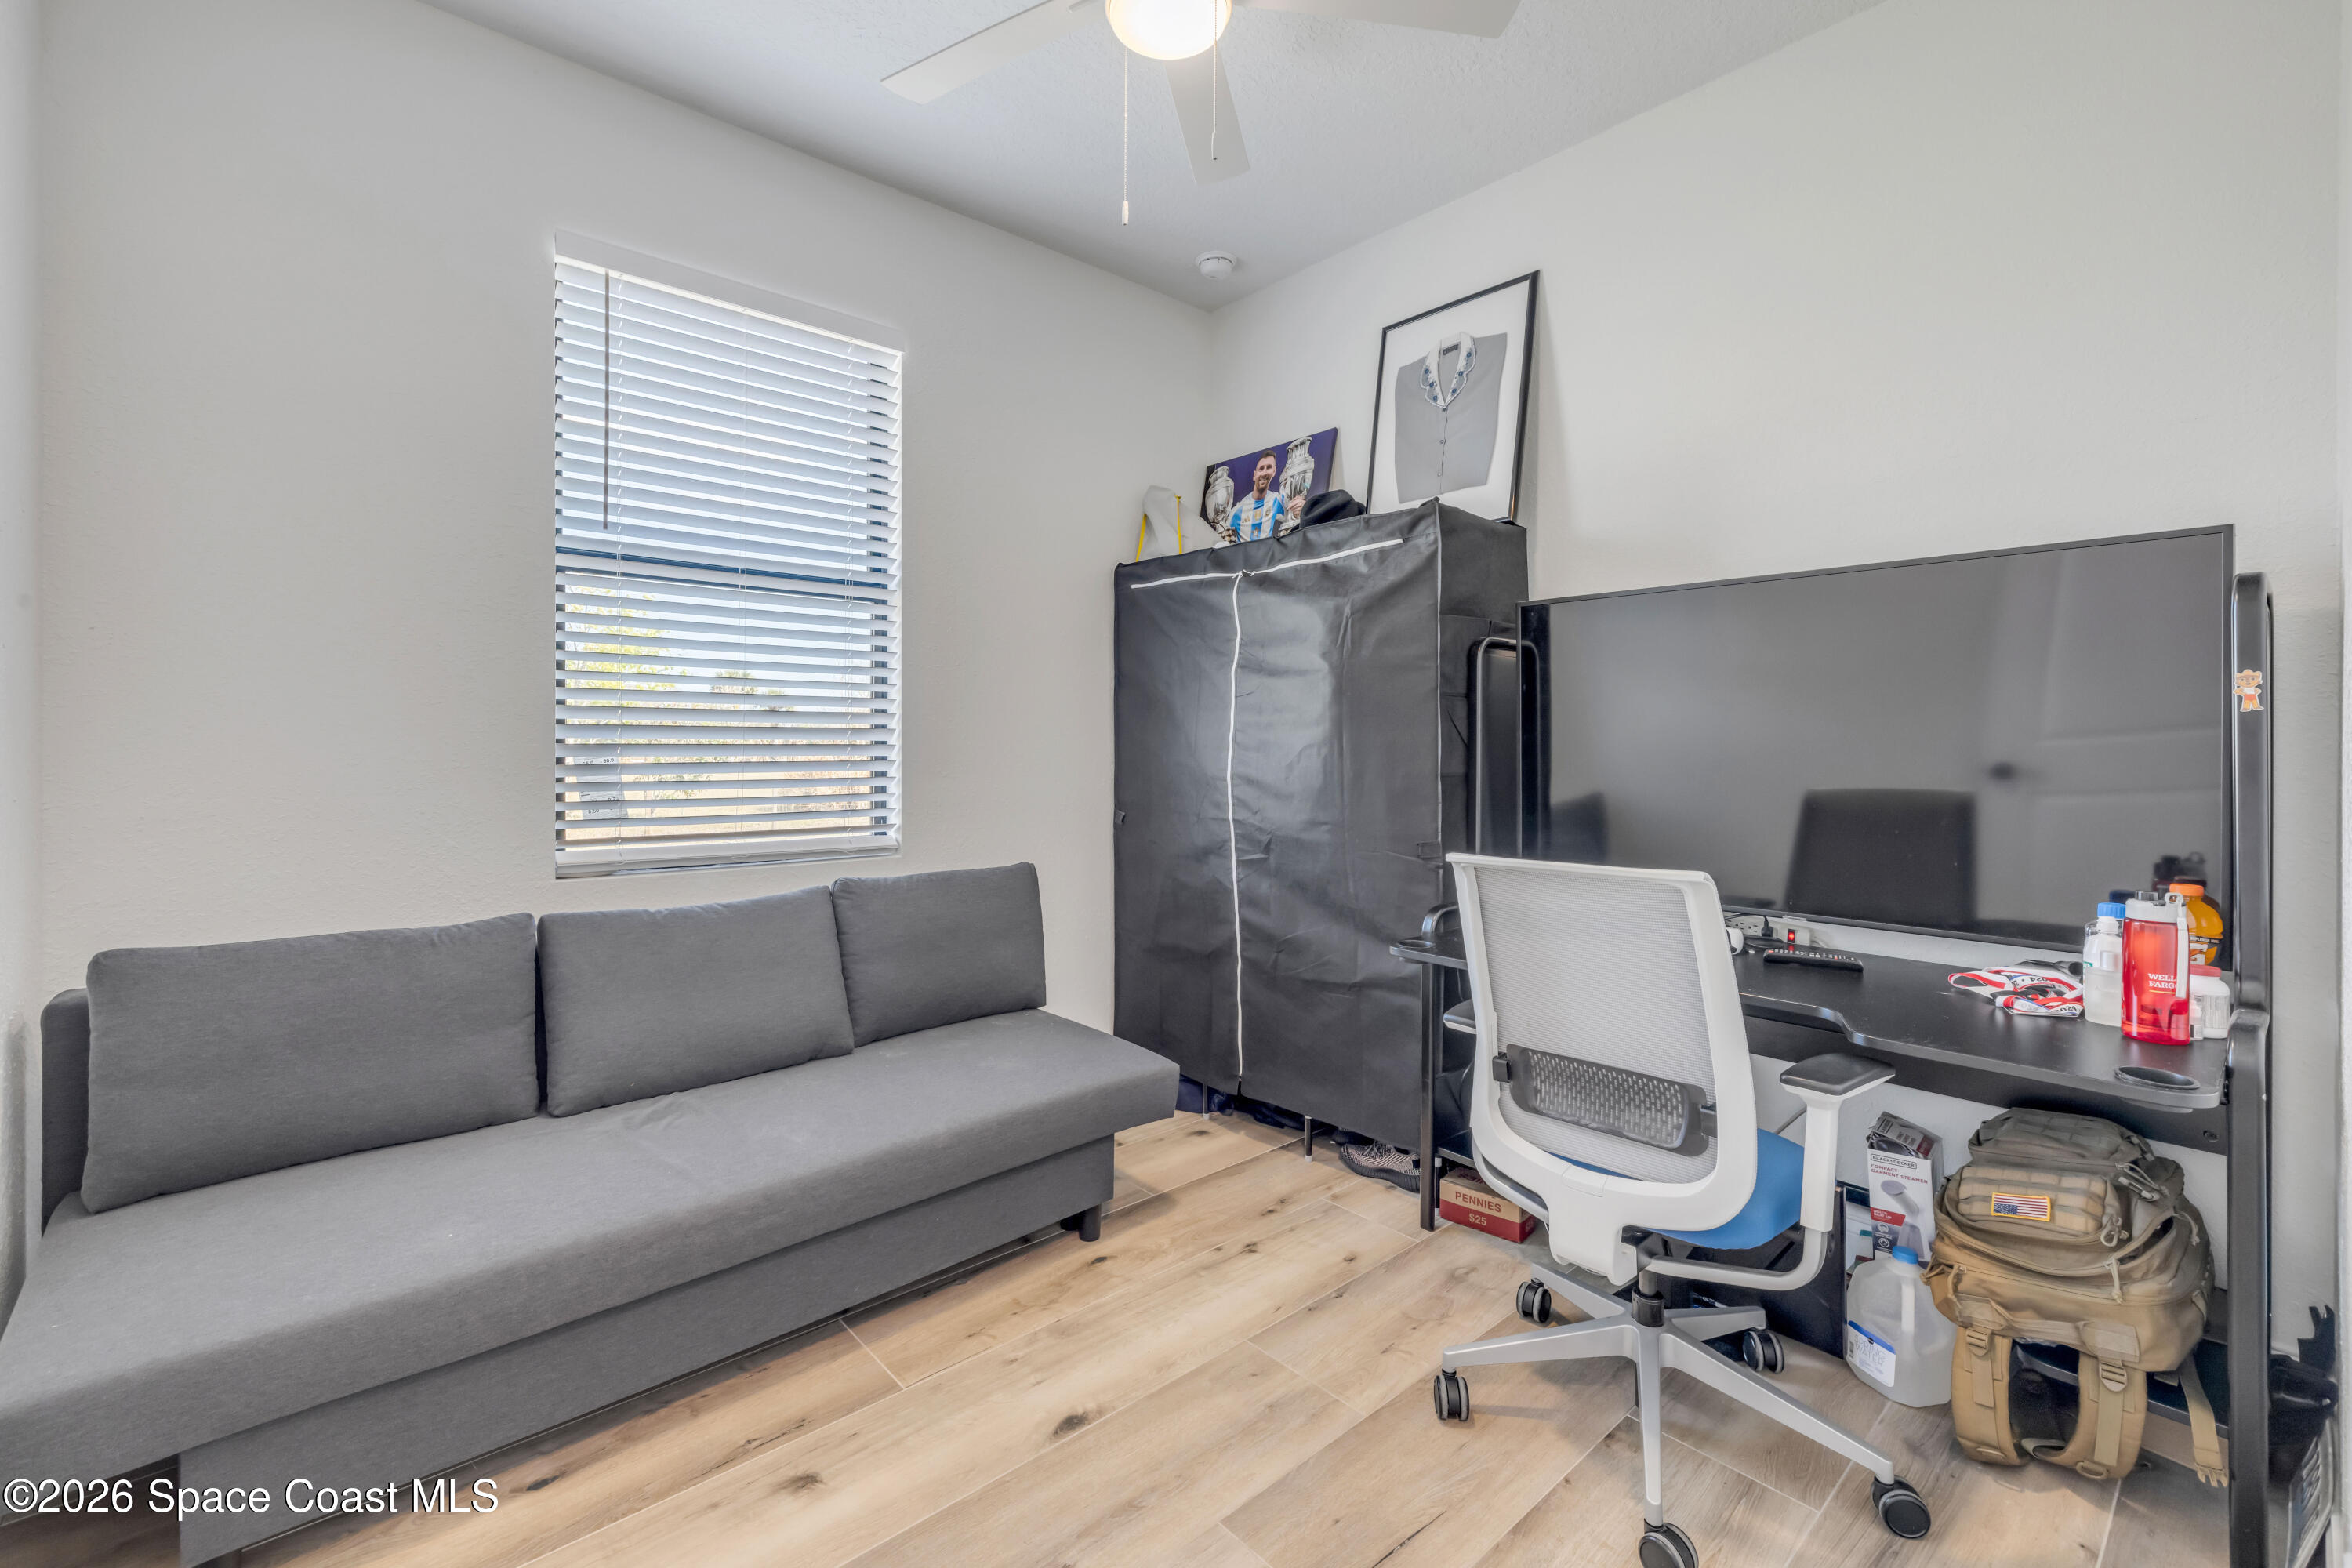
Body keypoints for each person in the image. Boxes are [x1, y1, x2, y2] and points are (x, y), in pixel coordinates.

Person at [1225, 451, 1289, 541]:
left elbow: (1292, 517)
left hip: (1265, 554)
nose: (1264, 473)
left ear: (1274, 472)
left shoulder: (1276, 500)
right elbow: (1226, 539)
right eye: (1261, 469)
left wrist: (1299, 508)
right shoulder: (1238, 510)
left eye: (1269, 468)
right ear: (1255, 475)